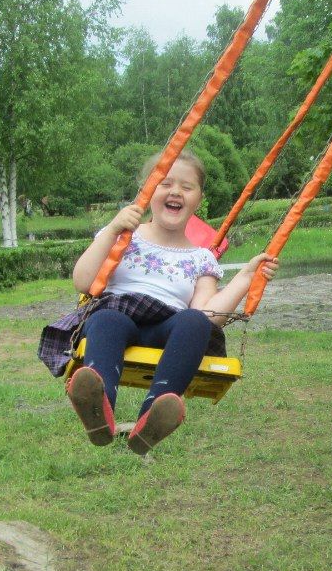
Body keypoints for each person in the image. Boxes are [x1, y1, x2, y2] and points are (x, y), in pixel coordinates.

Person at [39, 151, 278, 454]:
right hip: (117, 316)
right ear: (147, 190)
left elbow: (209, 314)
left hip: (167, 330)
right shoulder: (123, 237)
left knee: (195, 321)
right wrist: (112, 230)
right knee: (106, 319)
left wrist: (246, 277)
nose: (176, 191)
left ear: (198, 199)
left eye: (187, 187)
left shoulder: (201, 258)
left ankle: (153, 416)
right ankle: (98, 406)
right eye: (165, 183)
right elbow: (83, 281)